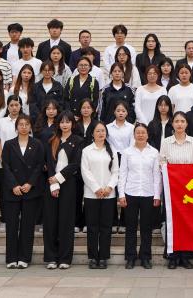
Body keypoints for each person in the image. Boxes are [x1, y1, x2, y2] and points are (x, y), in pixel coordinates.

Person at [0, 113, 47, 269]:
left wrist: (30, 183)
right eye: (21, 124)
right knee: (12, 225)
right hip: (12, 190)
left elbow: (39, 165)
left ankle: (24, 258)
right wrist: (14, 185)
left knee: (28, 225)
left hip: (30, 190)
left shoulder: (37, 144)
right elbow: (5, 165)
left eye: (27, 124)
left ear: (30, 126)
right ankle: (11, 258)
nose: (24, 127)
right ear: (16, 127)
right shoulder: (9, 144)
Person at [159, 112, 193, 269]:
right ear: (173, 124)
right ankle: (173, 256)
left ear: (187, 124)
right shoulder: (166, 142)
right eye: (176, 121)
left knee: (187, 221)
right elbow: (162, 162)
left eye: (182, 121)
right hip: (172, 188)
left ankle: (186, 256)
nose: (179, 124)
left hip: (189, 188)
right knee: (172, 221)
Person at [118, 123, 162, 269]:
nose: (141, 135)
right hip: (131, 193)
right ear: (134, 135)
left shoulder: (154, 152)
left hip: (148, 194)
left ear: (147, 135)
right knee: (130, 227)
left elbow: (157, 175)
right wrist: (121, 194)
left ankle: (145, 257)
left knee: (146, 228)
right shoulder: (127, 152)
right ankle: (130, 257)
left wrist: (157, 195)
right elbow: (122, 174)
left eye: (143, 132)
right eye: (138, 132)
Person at [45, 111, 82, 269]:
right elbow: (49, 163)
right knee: (50, 222)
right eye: (62, 122)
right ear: (58, 124)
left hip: (69, 184)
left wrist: (58, 178)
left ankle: (65, 258)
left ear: (72, 124)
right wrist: (53, 184)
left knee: (66, 222)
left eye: (68, 122)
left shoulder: (78, 141)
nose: (64, 125)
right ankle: (51, 258)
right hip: (51, 184)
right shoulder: (52, 140)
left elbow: (75, 164)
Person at [81, 122, 119, 269]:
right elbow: (85, 171)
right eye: (98, 131)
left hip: (109, 195)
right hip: (91, 194)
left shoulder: (112, 150)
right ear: (92, 133)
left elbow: (116, 171)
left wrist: (109, 187)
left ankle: (103, 257)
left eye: (103, 131)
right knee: (92, 227)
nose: (101, 133)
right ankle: (93, 257)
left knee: (106, 227)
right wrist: (96, 188)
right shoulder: (87, 151)